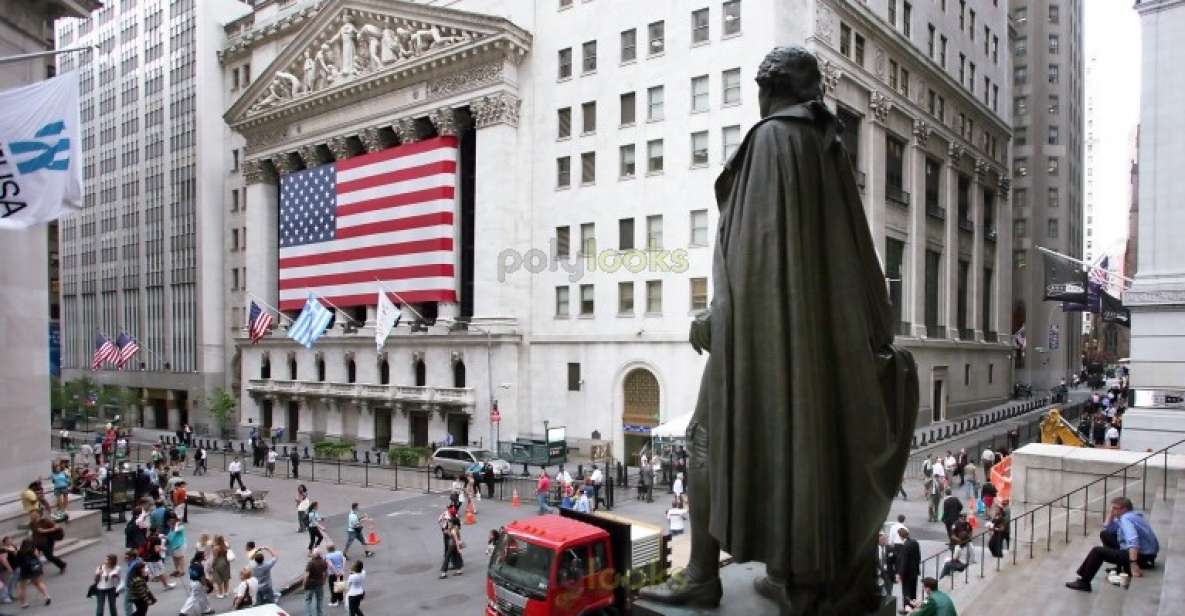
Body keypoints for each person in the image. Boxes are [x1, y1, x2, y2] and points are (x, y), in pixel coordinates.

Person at [1066, 497, 1159, 592]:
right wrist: (1110, 514)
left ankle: (1084, 582)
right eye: (1111, 508)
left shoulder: (1126, 519)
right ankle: (1120, 567)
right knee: (1105, 534)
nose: (1112, 510)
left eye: (1115, 508)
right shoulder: (1132, 515)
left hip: (1142, 556)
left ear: (1124, 509)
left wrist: (1133, 564)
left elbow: (1133, 541)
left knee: (1097, 551)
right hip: (1148, 555)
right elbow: (1108, 528)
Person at [14, 539, 50, 608]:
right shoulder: (34, 550)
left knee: (22, 587)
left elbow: (17, 562)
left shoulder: (19, 552)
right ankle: (46, 596)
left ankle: (24, 603)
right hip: (34, 569)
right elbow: (38, 558)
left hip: (24, 571)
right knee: (39, 583)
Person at [178, 551, 213, 616]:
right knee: (193, 597)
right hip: (198, 583)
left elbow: (191, 574)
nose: (205, 557)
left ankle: (206, 610)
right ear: (201, 557)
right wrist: (205, 585)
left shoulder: (192, 564)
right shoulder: (200, 566)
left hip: (192, 582)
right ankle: (183, 611)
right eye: (204, 555)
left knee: (203, 596)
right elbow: (202, 578)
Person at [895, 528, 921, 615]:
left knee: (906, 592)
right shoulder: (915, 542)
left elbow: (904, 562)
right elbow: (918, 557)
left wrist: (900, 574)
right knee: (913, 590)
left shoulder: (905, 546)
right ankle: (912, 606)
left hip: (907, 574)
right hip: (915, 572)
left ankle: (907, 609)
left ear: (900, 536)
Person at [439, 509, 464, 578]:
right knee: (457, 556)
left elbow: (455, 539)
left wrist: (458, 548)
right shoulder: (456, 528)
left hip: (452, 545)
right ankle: (459, 570)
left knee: (447, 557)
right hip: (454, 545)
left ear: (453, 523)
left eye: (450, 522)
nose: (448, 523)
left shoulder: (453, 530)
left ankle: (443, 573)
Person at [303, 551, 328, 616]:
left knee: (308, 600)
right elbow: (325, 573)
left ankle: (308, 614)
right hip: (319, 583)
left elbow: (306, 575)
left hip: (310, 584)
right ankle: (319, 614)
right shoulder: (323, 562)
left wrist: (304, 584)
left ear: (314, 555)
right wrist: (324, 580)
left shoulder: (310, 563)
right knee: (319, 599)